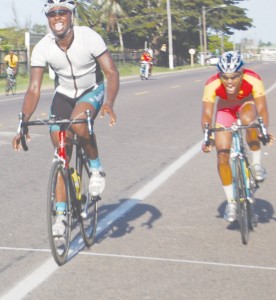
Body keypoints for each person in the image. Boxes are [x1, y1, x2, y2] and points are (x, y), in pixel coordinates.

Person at [12, 0, 119, 236]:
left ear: (71, 15)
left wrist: (109, 102)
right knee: (60, 153)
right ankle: (60, 213)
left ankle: (96, 167)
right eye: (52, 14)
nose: (57, 17)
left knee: (80, 125)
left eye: (62, 12)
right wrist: (23, 121)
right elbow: (33, 89)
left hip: (91, 89)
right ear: (47, 18)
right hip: (64, 94)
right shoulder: (42, 47)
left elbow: (111, 72)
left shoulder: (89, 37)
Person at [201, 51, 272, 223]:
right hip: (225, 111)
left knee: (249, 121)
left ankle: (255, 165)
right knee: (222, 155)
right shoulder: (212, 84)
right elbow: (207, 114)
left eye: (234, 76)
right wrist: (207, 137)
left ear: (242, 73)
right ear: (220, 75)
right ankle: (231, 202)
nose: (230, 82)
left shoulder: (253, 79)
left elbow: (262, 109)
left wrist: (263, 130)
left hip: (246, 106)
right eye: (225, 77)